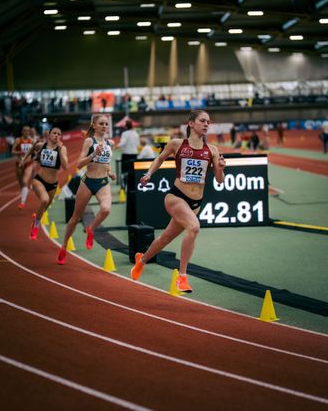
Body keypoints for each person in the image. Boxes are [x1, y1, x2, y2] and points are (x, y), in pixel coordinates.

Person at [130, 110, 226, 293]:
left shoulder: (212, 150)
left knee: (166, 238)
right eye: (202, 121)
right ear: (191, 123)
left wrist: (220, 169)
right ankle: (182, 278)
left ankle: (141, 260)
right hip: (175, 197)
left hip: (196, 203)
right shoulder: (176, 144)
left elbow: (220, 180)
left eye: (208, 121)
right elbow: (159, 158)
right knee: (194, 227)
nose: (206, 124)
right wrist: (148, 174)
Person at [57, 114, 116, 265]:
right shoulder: (90, 141)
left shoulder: (111, 143)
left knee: (106, 209)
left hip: (103, 182)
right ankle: (64, 246)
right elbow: (78, 164)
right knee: (75, 217)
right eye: (101, 124)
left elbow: (107, 163)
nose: (104, 126)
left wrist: (110, 172)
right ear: (94, 126)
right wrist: (93, 155)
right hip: (88, 182)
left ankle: (91, 229)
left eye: (106, 124)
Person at [20, 126, 68, 240]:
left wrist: (60, 151)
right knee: (44, 200)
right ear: (49, 134)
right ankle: (36, 225)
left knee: (45, 206)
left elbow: (65, 167)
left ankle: (36, 219)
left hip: (53, 184)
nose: (56, 135)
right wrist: (24, 159)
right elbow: (32, 148)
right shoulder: (42, 146)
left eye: (59, 134)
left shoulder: (62, 149)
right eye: (54, 133)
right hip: (39, 180)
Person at [12, 125, 35, 209]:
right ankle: (25, 190)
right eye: (25, 131)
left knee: (25, 181)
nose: (26, 132)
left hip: (28, 163)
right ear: (22, 131)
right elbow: (12, 151)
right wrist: (19, 152)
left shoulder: (31, 141)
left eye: (28, 131)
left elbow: (36, 151)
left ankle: (22, 203)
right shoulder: (18, 140)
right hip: (19, 164)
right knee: (22, 184)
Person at [117, 119, 140, 189]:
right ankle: (133, 187)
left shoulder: (125, 133)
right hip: (134, 154)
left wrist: (115, 146)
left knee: (124, 172)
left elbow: (122, 143)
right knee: (133, 172)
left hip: (126, 155)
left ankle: (123, 188)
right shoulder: (136, 134)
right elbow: (137, 144)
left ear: (126, 127)